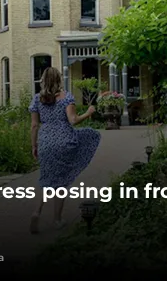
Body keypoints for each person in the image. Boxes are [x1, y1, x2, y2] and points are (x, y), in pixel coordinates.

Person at [28, 67, 101, 233]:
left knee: (46, 180)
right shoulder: (66, 97)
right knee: (60, 183)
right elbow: (73, 120)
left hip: (45, 143)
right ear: (58, 80)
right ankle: (57, 220)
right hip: (64, 143)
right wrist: (89, 113)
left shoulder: (36, 99)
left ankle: (36, 212)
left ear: (43, 80)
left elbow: (33, 126)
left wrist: (34, 146)